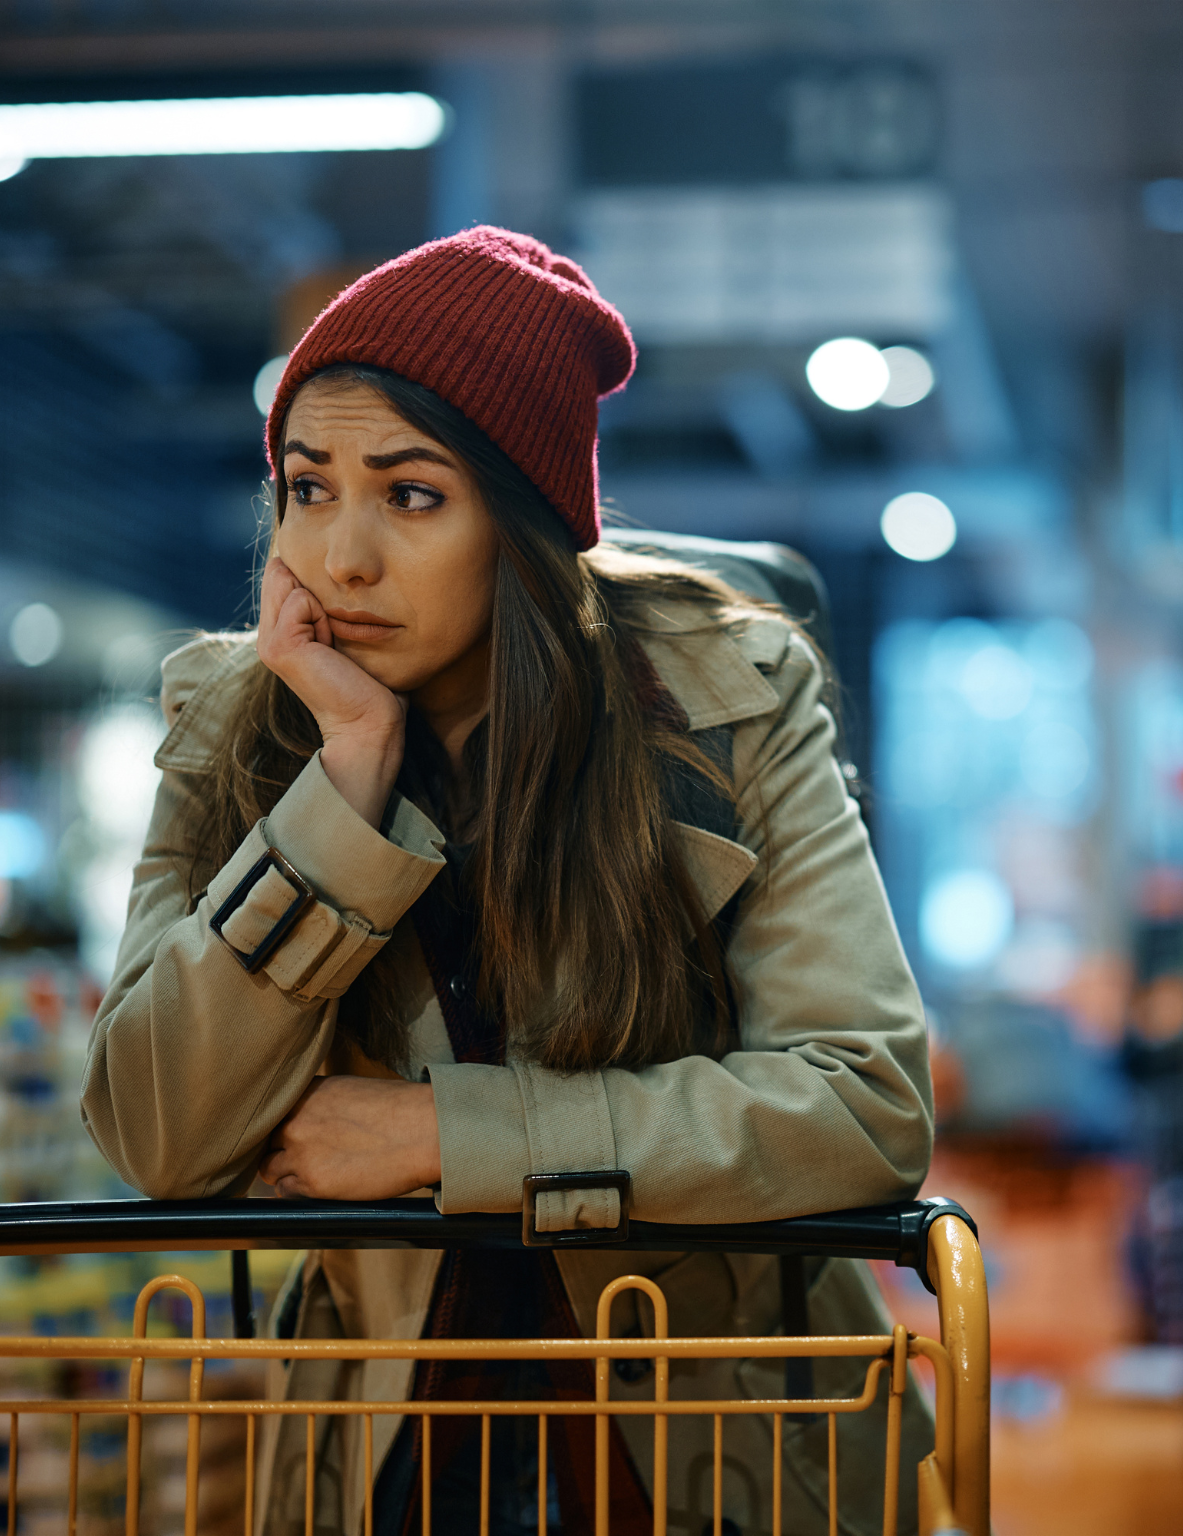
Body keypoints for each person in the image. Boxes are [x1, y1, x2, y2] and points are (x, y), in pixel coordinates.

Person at [82, 227, 935, 1535]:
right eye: (309, 489)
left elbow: (865, 1105)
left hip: (710, 1448)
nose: (342, 557)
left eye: (410, 496)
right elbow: (155, 1128)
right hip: (386, 1458)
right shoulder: (233, 723)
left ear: (523, 521)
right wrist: (344, 783)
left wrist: (445, 1135)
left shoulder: (720, 699)